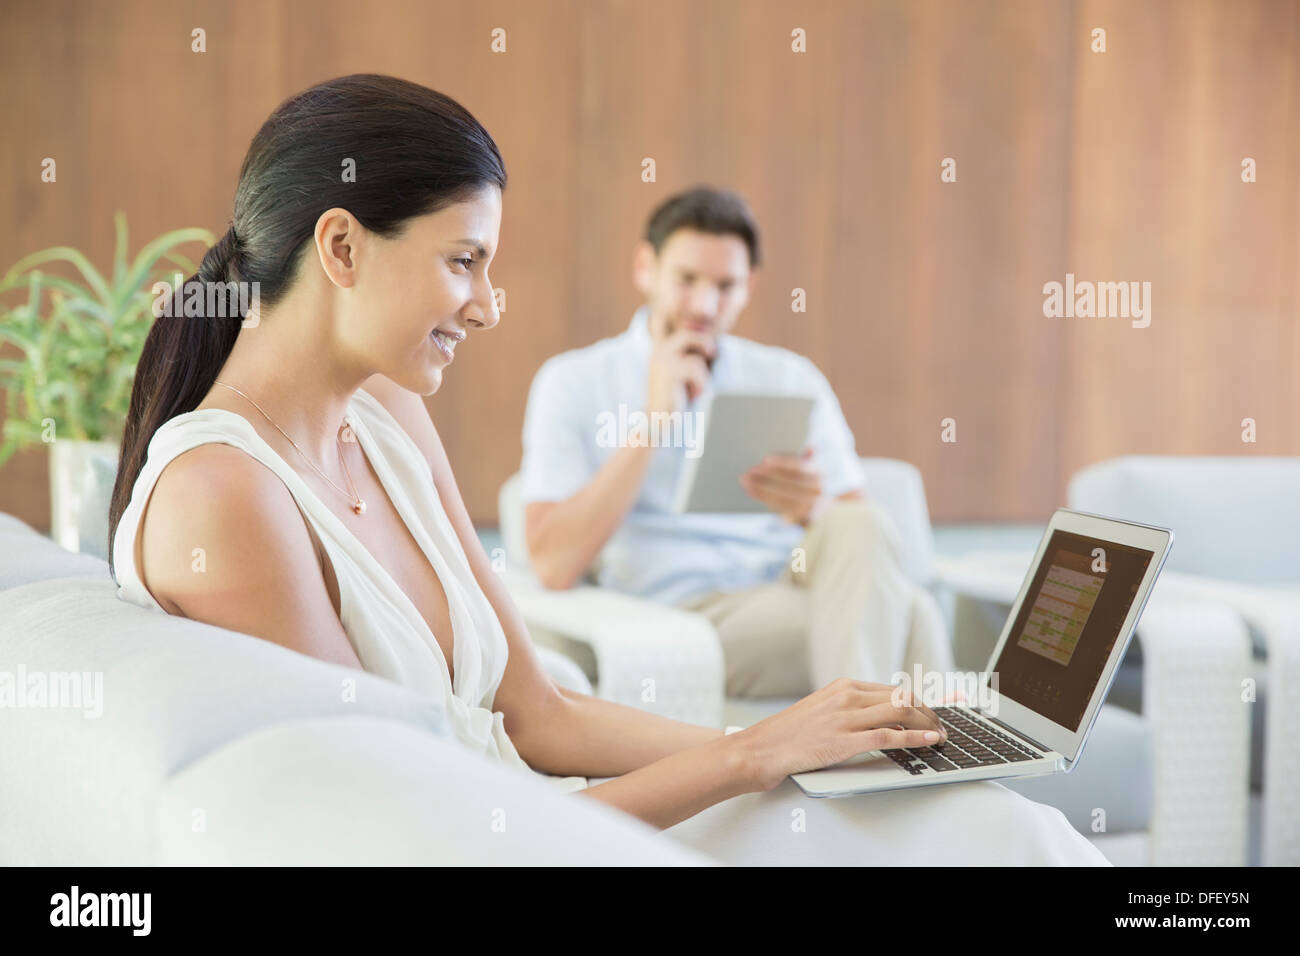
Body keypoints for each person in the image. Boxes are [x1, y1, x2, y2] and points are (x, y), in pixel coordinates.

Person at [108, 73, 1107, 865]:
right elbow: (400, 822)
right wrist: (745, 754)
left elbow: (540, 715)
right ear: (340, 246)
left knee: (993, 827)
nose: (490, 304)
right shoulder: (224, 493)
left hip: (550, 811)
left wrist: (797, 745)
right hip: (494, 842)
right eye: (465, 261)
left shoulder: (392, 416)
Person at [521, 186, 952, 699]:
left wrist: (811, 508)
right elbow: (552, 563)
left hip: (789, 582)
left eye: (725, 285)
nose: (704, 305)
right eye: (686, 280)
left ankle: (858, 748)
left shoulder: (789, 377)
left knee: (862, 522)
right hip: (680, 613)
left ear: (750, 286)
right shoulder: (574, 380)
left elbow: (863, 537)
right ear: (645, 268)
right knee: (914, 615)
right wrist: (656, 421)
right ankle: (897, 758)